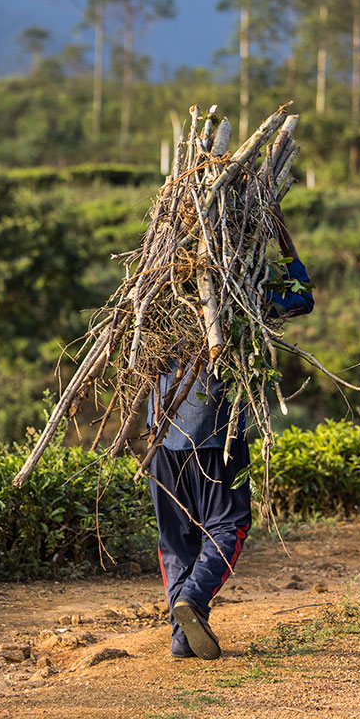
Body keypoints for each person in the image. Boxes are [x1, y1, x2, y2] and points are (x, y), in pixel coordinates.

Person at [147, 233, 314, 661]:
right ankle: (195, 601)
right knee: (229, 524)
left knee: (176, 539)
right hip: (215, 434)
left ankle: (182, 638)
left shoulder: (156, 296)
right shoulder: (242, 296)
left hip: (161, 435)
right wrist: (286, 246)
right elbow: (300, 298)